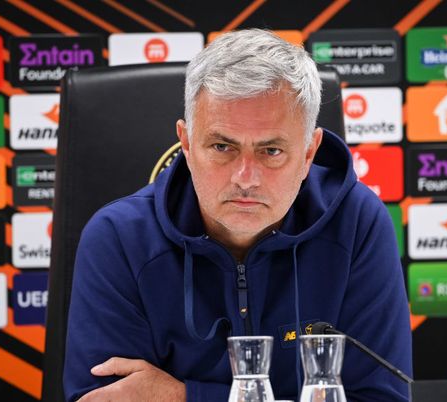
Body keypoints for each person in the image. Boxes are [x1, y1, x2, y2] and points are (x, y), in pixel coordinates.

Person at [64, 28, 412, 402]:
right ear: (186, 144)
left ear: (309, 153)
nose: (245, 178)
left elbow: (383, 399)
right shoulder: (118, 238)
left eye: (271, 151)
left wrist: (183, 396)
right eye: (222, 146)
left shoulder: (357, 223)